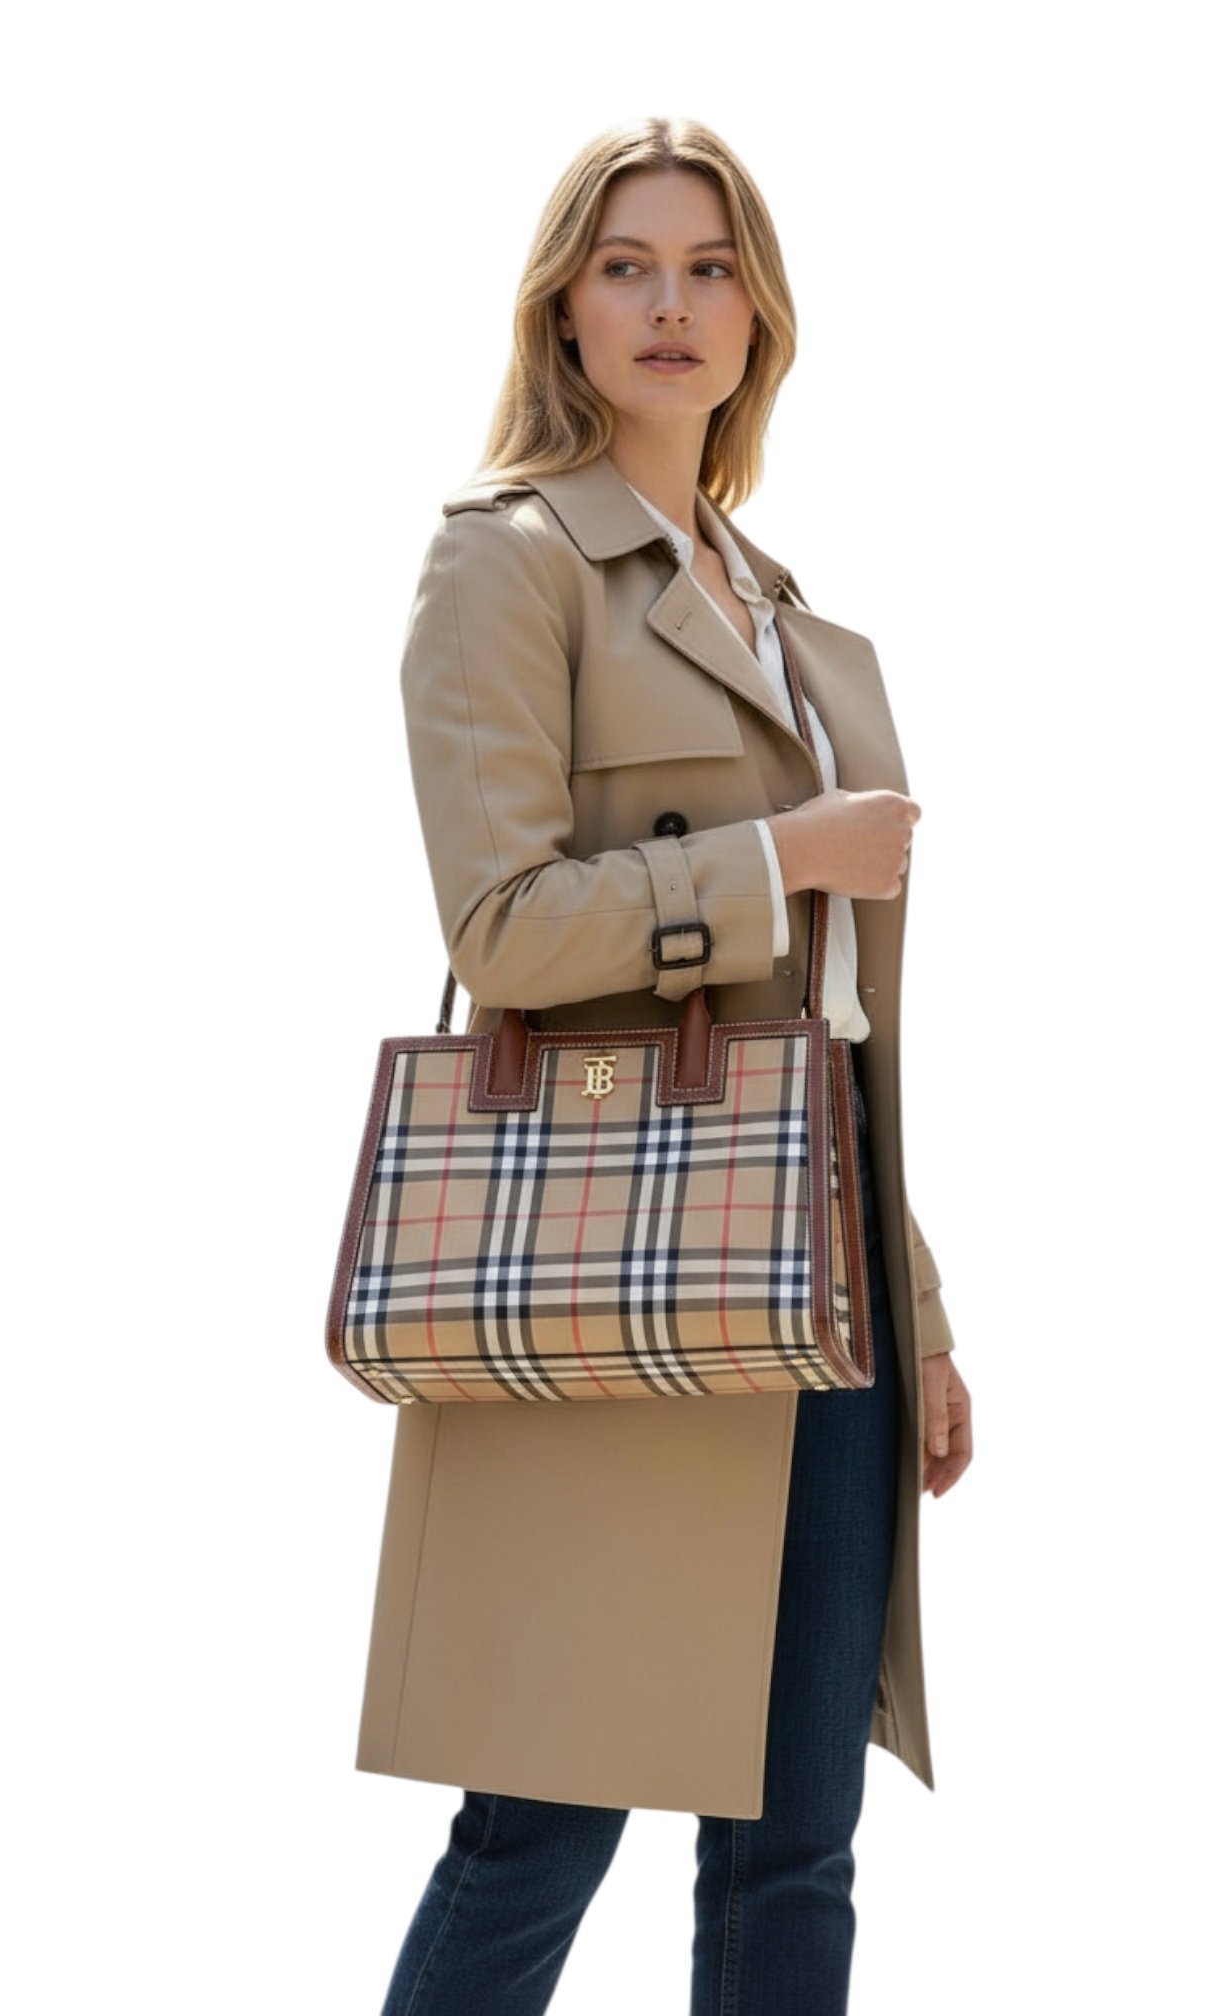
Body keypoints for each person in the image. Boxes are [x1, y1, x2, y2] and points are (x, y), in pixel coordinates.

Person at [359, 115, 974, 2016]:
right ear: (564, 306)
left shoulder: (786, 611)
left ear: (759, 314)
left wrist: (924, 1320)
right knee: (544, 1821)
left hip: (819, 1280)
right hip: (616, 1266)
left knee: (797, 1846)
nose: (671, 302)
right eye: (627, 264)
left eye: (711, 267)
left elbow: (839, 1030)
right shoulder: (508, 563)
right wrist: (778, 860)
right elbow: (503, 929)